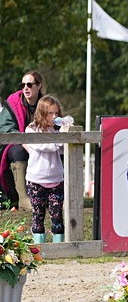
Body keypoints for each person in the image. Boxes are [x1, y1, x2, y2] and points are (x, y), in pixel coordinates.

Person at [22, 96, 65, 243]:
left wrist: (66, 131)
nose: (54, 117)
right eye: (50, 113)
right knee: (38, 214)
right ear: (42, 113)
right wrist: (58, 143)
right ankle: (38, 248)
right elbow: (42, 146)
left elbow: (65, 149)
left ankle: (59, 246)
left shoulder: (59, 130)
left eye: (56, 113)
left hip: (56, 179)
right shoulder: (31, 129)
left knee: (57, 214)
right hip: (36, 180)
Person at [0, 70, 45, 210]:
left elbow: (54, 124)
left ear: (39, 86)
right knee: (18, 151)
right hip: (14, 146)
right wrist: (25, 143)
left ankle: (54, 196)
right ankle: (23, 198)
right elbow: (5, 128)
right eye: (23, 84)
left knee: (57, 152)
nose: (25, 88)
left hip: (43, 145)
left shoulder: (46, 105)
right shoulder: (12, 104)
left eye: (30, 84)